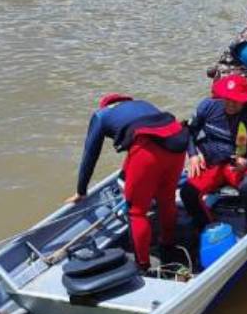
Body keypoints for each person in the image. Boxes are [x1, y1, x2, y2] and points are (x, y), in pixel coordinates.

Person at [68, 94, 189, 271]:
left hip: (148, 150)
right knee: (167, 199)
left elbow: (90, 154)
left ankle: (143, 265)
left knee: (137, 212)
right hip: (178, 142)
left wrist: (81, 190)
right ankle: (168, 245)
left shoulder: (101, 116)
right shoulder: (142, 104)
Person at [180, 74, 247, 240]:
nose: (230, 104)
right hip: (214, 163)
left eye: (236, 100)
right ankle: (207, 226)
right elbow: (188, 132)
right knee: (187, 192)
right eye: (227, 99)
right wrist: (194, 155)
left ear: (245, 99)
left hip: (244, 165)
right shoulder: (207, 107)